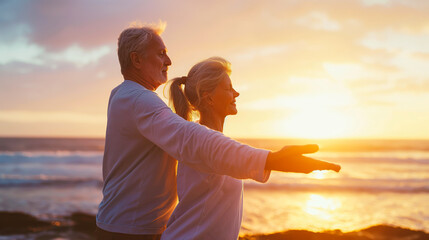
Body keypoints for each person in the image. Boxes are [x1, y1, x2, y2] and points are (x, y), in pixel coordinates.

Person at [95, 22, 340, 240]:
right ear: (136, 60)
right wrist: (269, 159)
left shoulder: (123, 96)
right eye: (161, 54)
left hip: (134, 226)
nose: (169, 61)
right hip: (128, 232)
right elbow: (190, 138)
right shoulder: (138, 99)